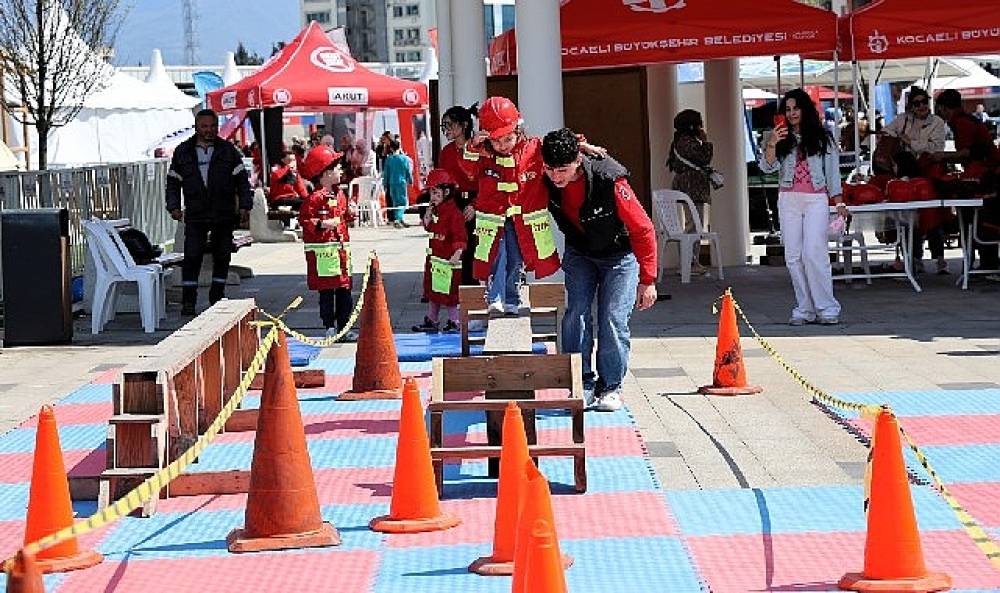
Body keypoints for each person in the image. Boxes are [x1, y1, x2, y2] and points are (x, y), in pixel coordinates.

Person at [541, 128, 657, 412]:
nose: (556, 177)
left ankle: (611, 386)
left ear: (578, 161)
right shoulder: (545, 174)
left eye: (562, 170)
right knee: (575, 315)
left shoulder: (609, 179)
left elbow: (643, 229)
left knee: (612, 318)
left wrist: (648, 279)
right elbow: (523, 145)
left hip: (619, 256)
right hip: (580, 252)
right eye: (550, 169)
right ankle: (580, 382)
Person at [461, 96, 563, 314]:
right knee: (496, 255)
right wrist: (472, 146)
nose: (503, 146)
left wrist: (582, 145)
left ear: (519, 130)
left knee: (516, 258)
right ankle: (495, 296)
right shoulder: (482, 154)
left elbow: (561, 147)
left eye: (508, 139)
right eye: (496, 141)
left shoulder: (534, 148)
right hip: (493, 219)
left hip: (522, 220)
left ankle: (512, 298)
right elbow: (468, 171)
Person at [760, 88, 848, 326]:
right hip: (788, 199)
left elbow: (832, 173)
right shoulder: (778, 137)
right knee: (793, 256)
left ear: (805, 109)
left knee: (814, 252)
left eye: (796, 108)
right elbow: (767, 168)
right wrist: (772, 144)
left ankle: (827, 307)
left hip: (816, 199)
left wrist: (839, 202)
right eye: (787, 109)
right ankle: (805, 307)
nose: (791, 113)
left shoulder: (822, 137)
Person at [166, 109, 252, 316]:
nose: (209, 130)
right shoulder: (183, 151)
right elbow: (173, 183)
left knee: (222, 254)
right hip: (195, 212)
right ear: (197, 127)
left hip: (223, 212)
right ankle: (189, 301)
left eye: (213, 126)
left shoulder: (228, 151)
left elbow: (242, 181)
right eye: (204, 126)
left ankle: (217, 295)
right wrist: (173, 206)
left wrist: (245, 206)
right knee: (192, 256)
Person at [879, 87, 949, 273]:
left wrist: (911, 142)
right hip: (906, 176)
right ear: (911, 106)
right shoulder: (903, 119)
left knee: (932, 216)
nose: (921, 106)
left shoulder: (937, 122)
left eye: (924, 102)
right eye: (917, 103)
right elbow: (885, 133)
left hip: (929, 173)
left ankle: (939, 257)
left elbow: (936, 148)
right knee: (909, 218)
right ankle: (914, 257)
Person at [934, 89, 1000, 274]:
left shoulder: (962, 123)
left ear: (944, 108)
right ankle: (985, 263)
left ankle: (984, 263)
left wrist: (942, 156)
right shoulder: (967, 120)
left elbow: (966, 153)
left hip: (986, 176)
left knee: (975, 218)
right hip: (984, 173)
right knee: (979, 218)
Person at [297, 145, 358, 341]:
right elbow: (305, 220)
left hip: (340, 253)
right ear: (325, 173)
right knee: (326, 292)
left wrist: (351, 213)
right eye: (337, 168)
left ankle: (344, 327)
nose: (340, 171)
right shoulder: (314, 199)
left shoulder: (340, 195)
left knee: (345, 291)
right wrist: (322, 224)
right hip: (323, 257)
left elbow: (344, 216)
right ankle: (329, 327)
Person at [412, 169, 466, 334]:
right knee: (433, 292)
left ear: (446, 192)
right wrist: (428, 212)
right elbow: (428, 226)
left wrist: (457, 253)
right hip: (435, 260)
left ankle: (455, 321)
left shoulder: (454, 213)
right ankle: (432, 319)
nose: (433, 197)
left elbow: (460, 236)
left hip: (448, 261)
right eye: (431, 193)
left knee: (449, 294)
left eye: (436, 193)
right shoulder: (436, 210)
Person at [667, 109, 715, 274]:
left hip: (688, 187)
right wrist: (705, 142)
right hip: (691, 187)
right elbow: (704, 158)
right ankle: (689, 263)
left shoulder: (680, 141)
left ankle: (690, 262)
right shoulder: (687, 142)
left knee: (693, 224)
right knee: (693, 225)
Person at [437, 104, 480, 285]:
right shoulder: (446, 152)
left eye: (450, 125)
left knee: (473, 249)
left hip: (478, 202)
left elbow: (487, 181)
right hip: (454, 203)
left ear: (464, 125)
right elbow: (442, 181)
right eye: (444, 125)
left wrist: (475, 205)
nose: (446, 129)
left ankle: (473, 289)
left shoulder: (478, 148)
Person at [382, 139, 413, 228]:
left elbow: (386, 173)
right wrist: (410, 180)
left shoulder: (389, 159)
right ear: (399, 147)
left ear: (391, 148)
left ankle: (399, 219)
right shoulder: (404, 158)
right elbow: (408, 171)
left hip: (391, 183)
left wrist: (385, 184)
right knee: (403, 202)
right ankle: (398, 219)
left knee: (395, 202)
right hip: (401, 183)